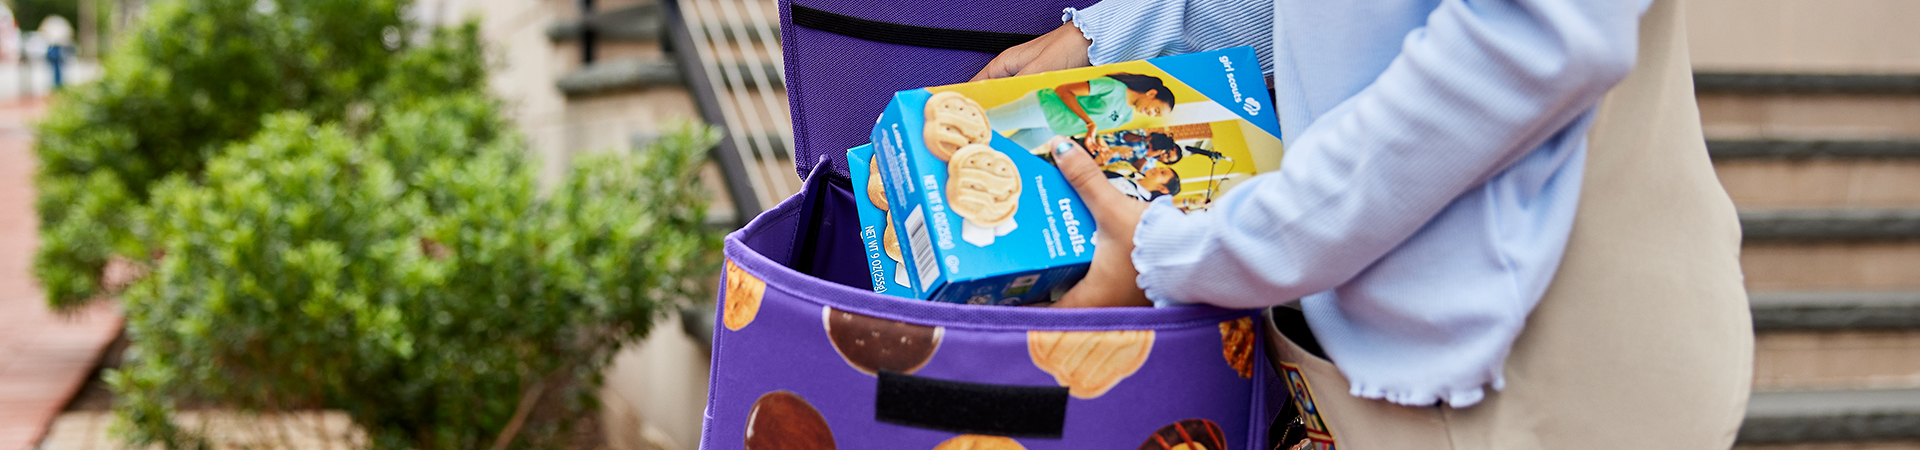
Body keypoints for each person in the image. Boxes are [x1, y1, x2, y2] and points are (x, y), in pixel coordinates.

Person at [977, 0, 1751, 448]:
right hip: (1383, 372)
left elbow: (1532, 39)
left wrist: (1182, 250)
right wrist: (1124, 38)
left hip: (1536, 378)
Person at [985, 72, 1174, 150]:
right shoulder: (1113, 87)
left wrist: (1093, 139)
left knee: (1005, 153)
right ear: (1151, 93)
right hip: (1043, 107)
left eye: (1156, 116)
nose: (1151, 114)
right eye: (1156, 110)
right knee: (985, 124)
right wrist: (1089, 122)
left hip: (1053, 129)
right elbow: (1063, 90)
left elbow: (1088, 126)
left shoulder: (1126, 117)